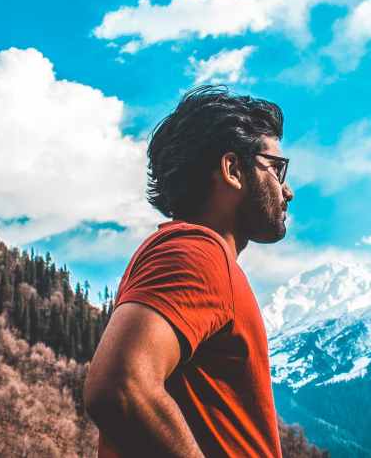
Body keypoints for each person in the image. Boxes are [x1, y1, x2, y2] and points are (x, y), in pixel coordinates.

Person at [84, 85, 294, 457]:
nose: (287, 190)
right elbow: (120, 387)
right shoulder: (195, 252)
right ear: (232, 170)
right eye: (275, 168)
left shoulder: (201, 257)